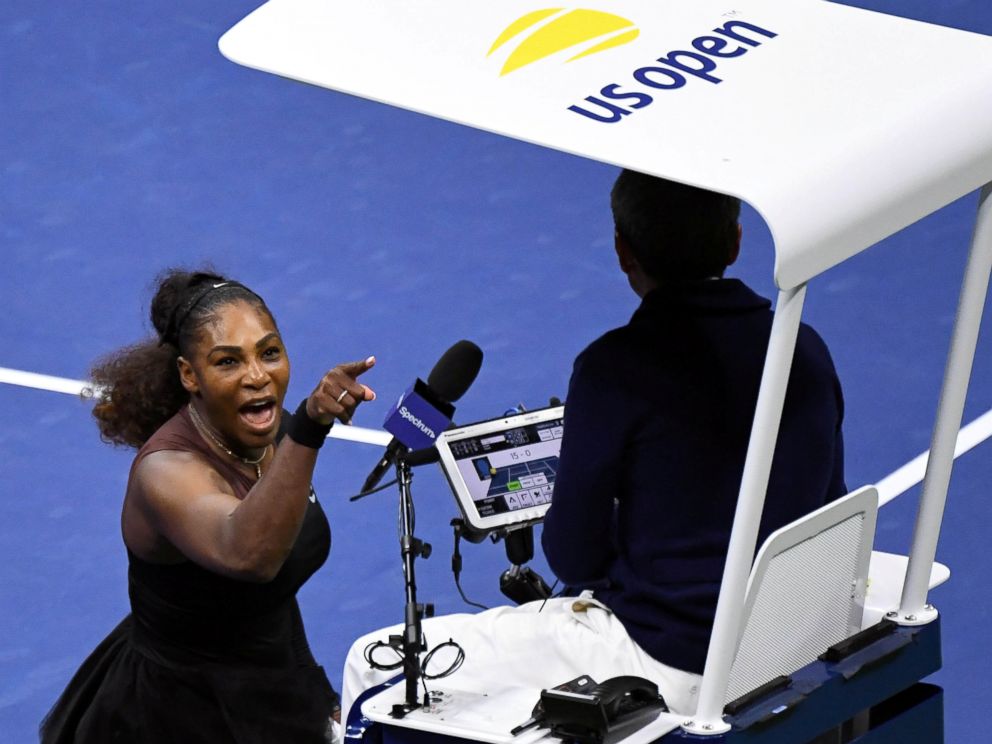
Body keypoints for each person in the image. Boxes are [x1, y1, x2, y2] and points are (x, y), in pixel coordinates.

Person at [340, 170, 845, 725]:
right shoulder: (806, 347)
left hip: (671, 662)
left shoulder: (614, 369)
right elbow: (828, 505)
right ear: (736, 240)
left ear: (623, 252)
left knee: (373, 665)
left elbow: (573, 556)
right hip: (794, 642)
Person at [41, 269, 376, 744]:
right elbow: (251, 554)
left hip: (271, 690)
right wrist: (310, 427)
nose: (257, 376)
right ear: (188, 375)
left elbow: (274, 588)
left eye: (269, 353)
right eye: (228, 362)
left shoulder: (269, 434)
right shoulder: (166, 473)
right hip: (175, 719)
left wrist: (312, 692)